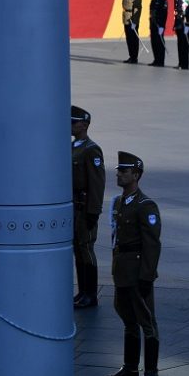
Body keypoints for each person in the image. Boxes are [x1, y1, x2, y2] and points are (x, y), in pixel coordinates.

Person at [103, 151, 161, 376]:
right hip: (122, 270)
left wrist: (147, 275)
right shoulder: (119, 202)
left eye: (124, 171)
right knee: (127, 318)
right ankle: (130, 367)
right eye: (119, 171)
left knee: (147, 322)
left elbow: (152, 244)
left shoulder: (145, 205)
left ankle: (151, 371)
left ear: (136, 175)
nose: (119, 174)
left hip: (137, 271)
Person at [71, 105, 104, 309]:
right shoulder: (73, 147)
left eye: (73, 123)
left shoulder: (91, 149)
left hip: (84, 207)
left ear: (84, 125)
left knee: (86, 248)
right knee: (77, 248)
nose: (70, 126)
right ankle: (82, 291)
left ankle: (90, 294)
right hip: (73, 206)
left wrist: (93, 211)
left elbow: (97, 183)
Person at [120, 0, 142, 64]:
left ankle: (135, 57)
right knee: (128, 38)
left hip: (133, 19)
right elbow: (123, 5)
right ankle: (131, 56)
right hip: (126, 18)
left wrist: (135, 21)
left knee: (134, 38)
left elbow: (138, 9)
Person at [148, 0, 167, 67]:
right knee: (154, 42)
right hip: (153, 25)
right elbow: (151, 13)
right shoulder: (153, 0)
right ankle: (156, 59)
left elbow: (164, 15)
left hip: (159, 26)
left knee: (160, 42)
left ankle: (160, 61)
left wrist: (162, 26)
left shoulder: (163, 0)